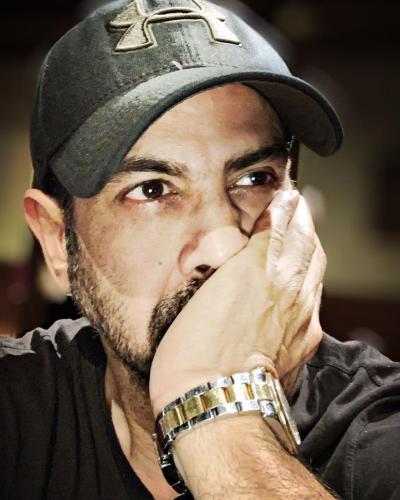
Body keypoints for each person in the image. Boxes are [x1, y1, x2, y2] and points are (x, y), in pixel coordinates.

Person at [1, 1, 399, 499]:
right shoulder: (16, 405)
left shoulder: (381, 431)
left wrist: (213, 405)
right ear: (57, 240)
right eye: (151, 189)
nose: (225, 244)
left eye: (254, 178)